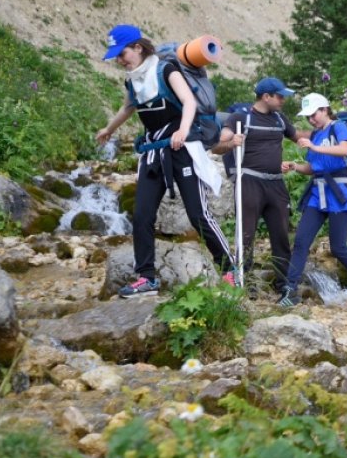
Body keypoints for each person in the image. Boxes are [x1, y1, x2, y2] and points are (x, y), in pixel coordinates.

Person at [94, 24, 234, 297]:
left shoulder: (165, 70)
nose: (120, 61)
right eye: (117, 57)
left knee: (198, 214)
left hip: (182, 149)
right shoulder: (132, 79)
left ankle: (230, 269)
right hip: (152, 152)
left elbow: (188, 102)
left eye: (122, 54)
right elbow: (128, 107)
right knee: (142, 216)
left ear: (137, 47)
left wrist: (182, 130)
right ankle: (146, 277)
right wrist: (109, 129)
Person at [279, 93, 347, 308]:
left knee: (338, 247)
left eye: (313, 114)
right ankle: (289, 290)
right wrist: (295, 166)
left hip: (339, 193)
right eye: (308, 117)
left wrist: (314, 147)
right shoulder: (316, 134)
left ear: (324, 110)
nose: (311, 120)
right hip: (318, 193)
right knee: (301, 242)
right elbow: (313, 168)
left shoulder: (338, 127)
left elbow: (344, 150)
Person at [211, 77, 298, 298]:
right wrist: (232, 143)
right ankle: (245, 281)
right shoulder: (240, 118)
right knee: (246, 234)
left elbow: (299, 138)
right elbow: (218, 147)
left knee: (280, 234)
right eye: (279, 96)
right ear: (266, 96)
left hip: (276, 182)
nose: (283, 100)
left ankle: (284, 283)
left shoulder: (280, 119)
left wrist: (329, 130)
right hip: (250, 181)